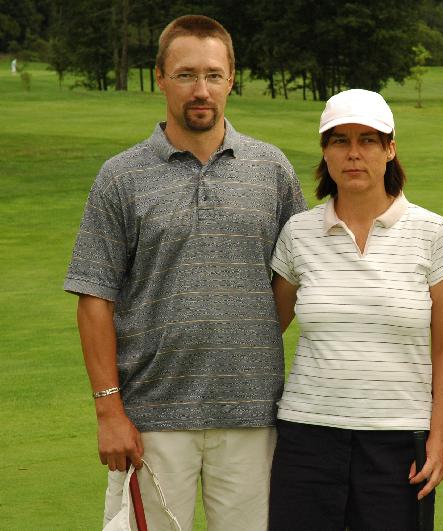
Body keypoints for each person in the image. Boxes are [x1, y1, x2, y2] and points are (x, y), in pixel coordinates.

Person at [63, 15, 306, 530]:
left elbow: (293, 279)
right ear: (160, 78)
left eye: (213, 75)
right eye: (186, 75)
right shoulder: (121, 177)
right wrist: (109, 412)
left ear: (231, 79)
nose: (201, 90)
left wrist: (248, 333)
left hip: (251, 414)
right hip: (149, 417)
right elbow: (94, 298)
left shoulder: (272, 170)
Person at [268, 88, 443, 530]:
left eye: (368, 140)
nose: (353, 153)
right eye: (340, 140)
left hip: (399, 441)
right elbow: (267, 329)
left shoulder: (432, 233)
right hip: (307, 436)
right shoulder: (298, 232)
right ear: (325, 151)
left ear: (390, 149)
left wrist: (438, 439)